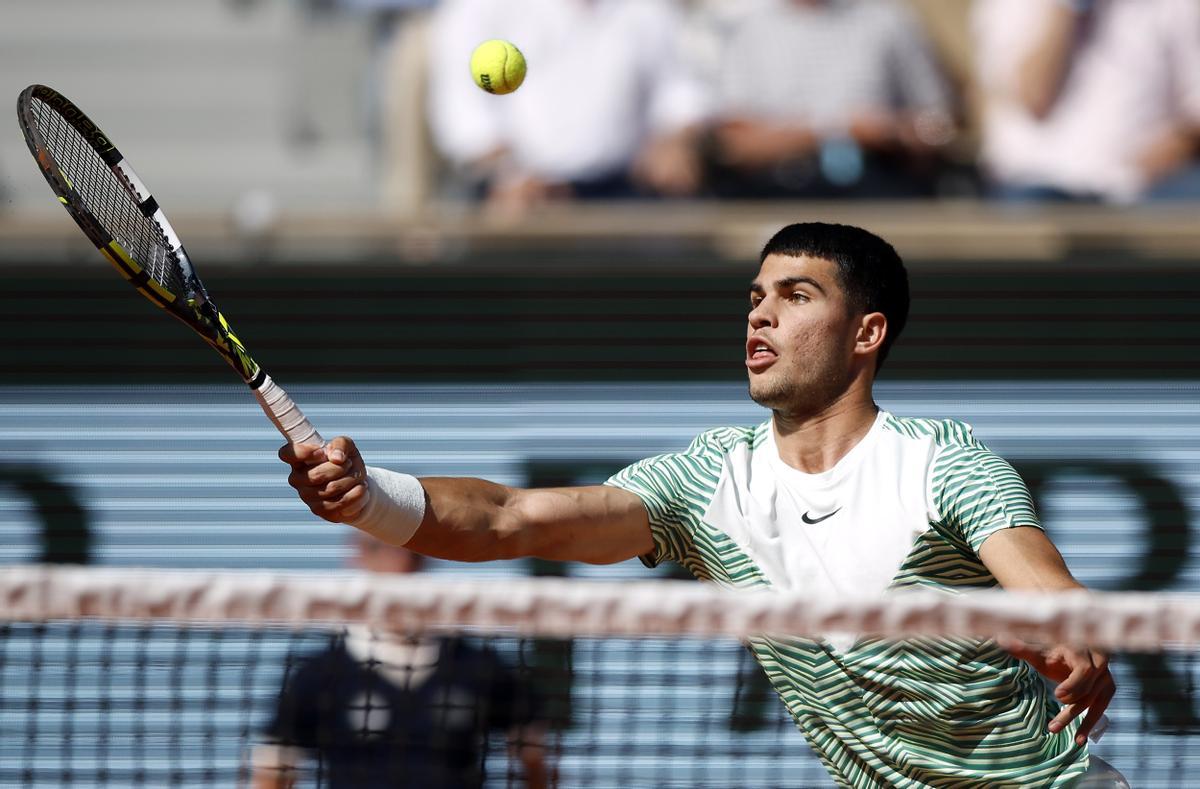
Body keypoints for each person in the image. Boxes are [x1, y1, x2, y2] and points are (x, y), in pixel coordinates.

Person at [280, 222, 1120, 787]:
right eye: (755, 297)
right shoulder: (708, 478)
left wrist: (1069, 636)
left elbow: (1046, 587)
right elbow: (508, 519)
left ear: (866, 333)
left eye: (796, 297)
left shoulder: (945, 465)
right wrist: (370, 497)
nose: (760, 316)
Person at [252, 534, 548, 789]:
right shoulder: (320, 675)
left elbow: (533, 760)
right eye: (382, 547)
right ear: (358, 552)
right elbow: (273, 772)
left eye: (410, 548)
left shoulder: (479, 666)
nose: (399, 559)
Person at [425, 0, 710, 215]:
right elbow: (463, 116)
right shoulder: (477, 8)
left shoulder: (650, 8)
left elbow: (679, 90)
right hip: (513, 201)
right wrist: (508, 173)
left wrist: (675, 141)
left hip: (627, 195)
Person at [701, 0, 958, 199]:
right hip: (777, 192)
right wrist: (839, 130)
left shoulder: (888, 18)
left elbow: (939, 124)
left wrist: (894, 132)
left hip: (878, 186)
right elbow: (736, 145)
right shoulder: (750, 28)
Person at [973, 0, 1200, 203]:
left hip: (1149, 187)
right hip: (1035, 184)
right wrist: (1066, 8)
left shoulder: (1172, 5)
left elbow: (1194, 109)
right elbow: (1035, 99)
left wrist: (1178, 143)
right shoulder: (1008, 6)